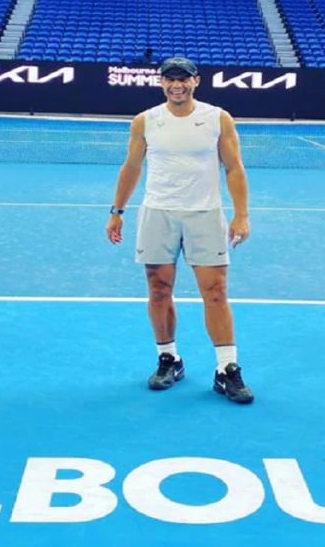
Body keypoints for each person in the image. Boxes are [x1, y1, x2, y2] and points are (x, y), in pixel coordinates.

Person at [106, 57, 254, 405]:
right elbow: (132, 167)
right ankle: (169, 358)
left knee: (215, 291)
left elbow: (234, 168)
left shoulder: (218, 118)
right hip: (158, 213)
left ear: (195, 81)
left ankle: (226, 368)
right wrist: (117, 211)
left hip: (205, 214)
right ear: (161, 82)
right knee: (159, 290)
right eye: (170, 79)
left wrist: (241, 215)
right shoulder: (145, 121)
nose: (177, 85)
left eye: (183, 79)